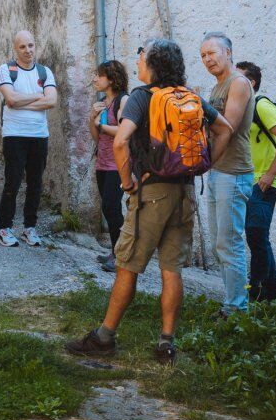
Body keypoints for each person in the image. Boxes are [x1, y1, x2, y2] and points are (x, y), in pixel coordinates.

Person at [65, 39, 233, 364]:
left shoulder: (143, 97)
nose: (137, 65)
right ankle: (166, 343)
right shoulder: (190, 96)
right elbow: (224, 130)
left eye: (141, 59)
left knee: (127, 265)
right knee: (172, 269)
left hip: (151, 194)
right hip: (184, 193)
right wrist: (205, 165)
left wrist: (128, 184)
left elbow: (121, 141)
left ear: (154, 65)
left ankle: (104, 337)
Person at [200, 32, 255, 316]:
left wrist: (199, 104)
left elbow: (228, 126)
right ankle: (230, 303)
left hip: (233, 173)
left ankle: (236, 310)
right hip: (218, 171)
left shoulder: (239, 83)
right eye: (203, 56)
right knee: (218, 243)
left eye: (212, 53)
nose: (208, 59)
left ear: (229, 53)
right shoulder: (217, 86)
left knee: (229, 243)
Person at [236, 61, 276, 303]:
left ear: (251, 83)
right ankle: (271, 293)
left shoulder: (261, 105)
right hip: (250, 180)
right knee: (258, 236)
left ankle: (257, 293)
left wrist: (270, 174)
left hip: (264, 182)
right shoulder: (244, 109)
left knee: (256, 234)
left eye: (238, 79)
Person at [0, 30, 59, 247]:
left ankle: (29, 228)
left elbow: (51, 101)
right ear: (15, 49)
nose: (27, 50)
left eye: (30, 45)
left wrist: (22, 102)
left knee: (35, 184)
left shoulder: (44, 72)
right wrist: (36, 96)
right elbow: (10, 98)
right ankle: (4, 228)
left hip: (39, 135)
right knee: (12, 182)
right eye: (22, 46)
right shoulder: (6, 70)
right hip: (14, 135)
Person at [88, 60, 129, 272]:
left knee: (111, 208)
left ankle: (121, 256)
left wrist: (101, 124)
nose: (95, 79)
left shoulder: (124, 100)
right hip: (102, 163)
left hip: (118, 164)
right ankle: (115, 252)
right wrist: (92, 117)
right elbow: (97, 136)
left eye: (99, 75)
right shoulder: (104, 102)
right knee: (109, 207)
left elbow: (124, 131)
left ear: (112, 79)